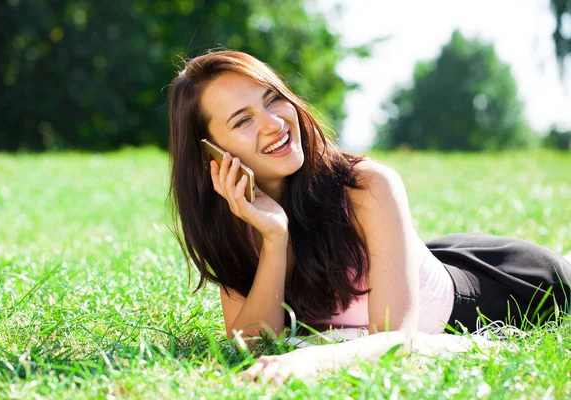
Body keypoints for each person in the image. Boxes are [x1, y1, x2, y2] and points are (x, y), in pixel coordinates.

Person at [167, 50, 571, 382]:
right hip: (431, 262)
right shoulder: (236, 217)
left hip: (503, 288)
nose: (274, 123)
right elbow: (253, 344)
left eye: (272, 98)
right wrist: (274, 239)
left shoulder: (365, 185)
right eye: (242, 120)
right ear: (210, 155)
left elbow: (397, 340)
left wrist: (313, 361)